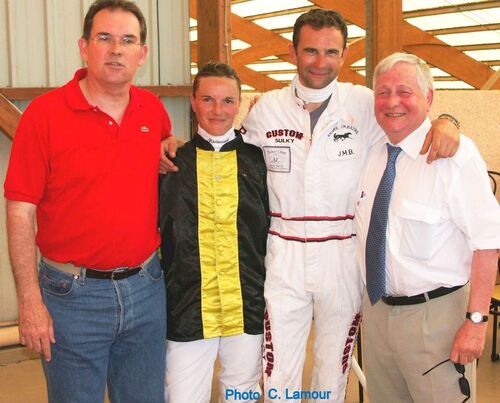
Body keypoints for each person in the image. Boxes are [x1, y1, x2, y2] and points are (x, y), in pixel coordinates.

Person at [160, 9, 459, 402]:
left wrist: (448, 121)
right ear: (292, 52)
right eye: (311, 51)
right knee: (278, 371)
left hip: (342, 252)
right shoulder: (266, 109)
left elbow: (409, 119)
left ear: (345, 54)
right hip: (283, 254)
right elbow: (223, 142)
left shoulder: (364, 104)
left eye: (331, 52)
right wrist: (174, 143)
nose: (321, 62)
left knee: (332, 368)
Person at [4, 1, 171, 402]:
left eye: (128, 40)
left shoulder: (153, 111)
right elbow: (19, 212)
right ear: (84, 46)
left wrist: (173, 146)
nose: (116, 49)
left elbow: (166, 153)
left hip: (146, 289)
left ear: (141, 54)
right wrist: (30, 301)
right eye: (105, 38)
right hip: (71, 298)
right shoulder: (43, 116)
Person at [355, 52, 500, 403]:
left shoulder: (456, 157)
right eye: (383, 92)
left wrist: (477, 322)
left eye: (404, 91)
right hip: (376, 313)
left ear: (429, 98)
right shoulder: (371, 151)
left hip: (436, 320)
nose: (392, 102)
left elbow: (488, 242)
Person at [159, 62, 269, 403]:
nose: (217, 111)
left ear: (239, 104)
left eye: (227, 101)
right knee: (181, 397)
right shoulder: (170, 163)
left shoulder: (260, 161)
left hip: (247, 302)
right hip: (187, 305)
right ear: (193, 102)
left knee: (242, 396)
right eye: (208, 100)